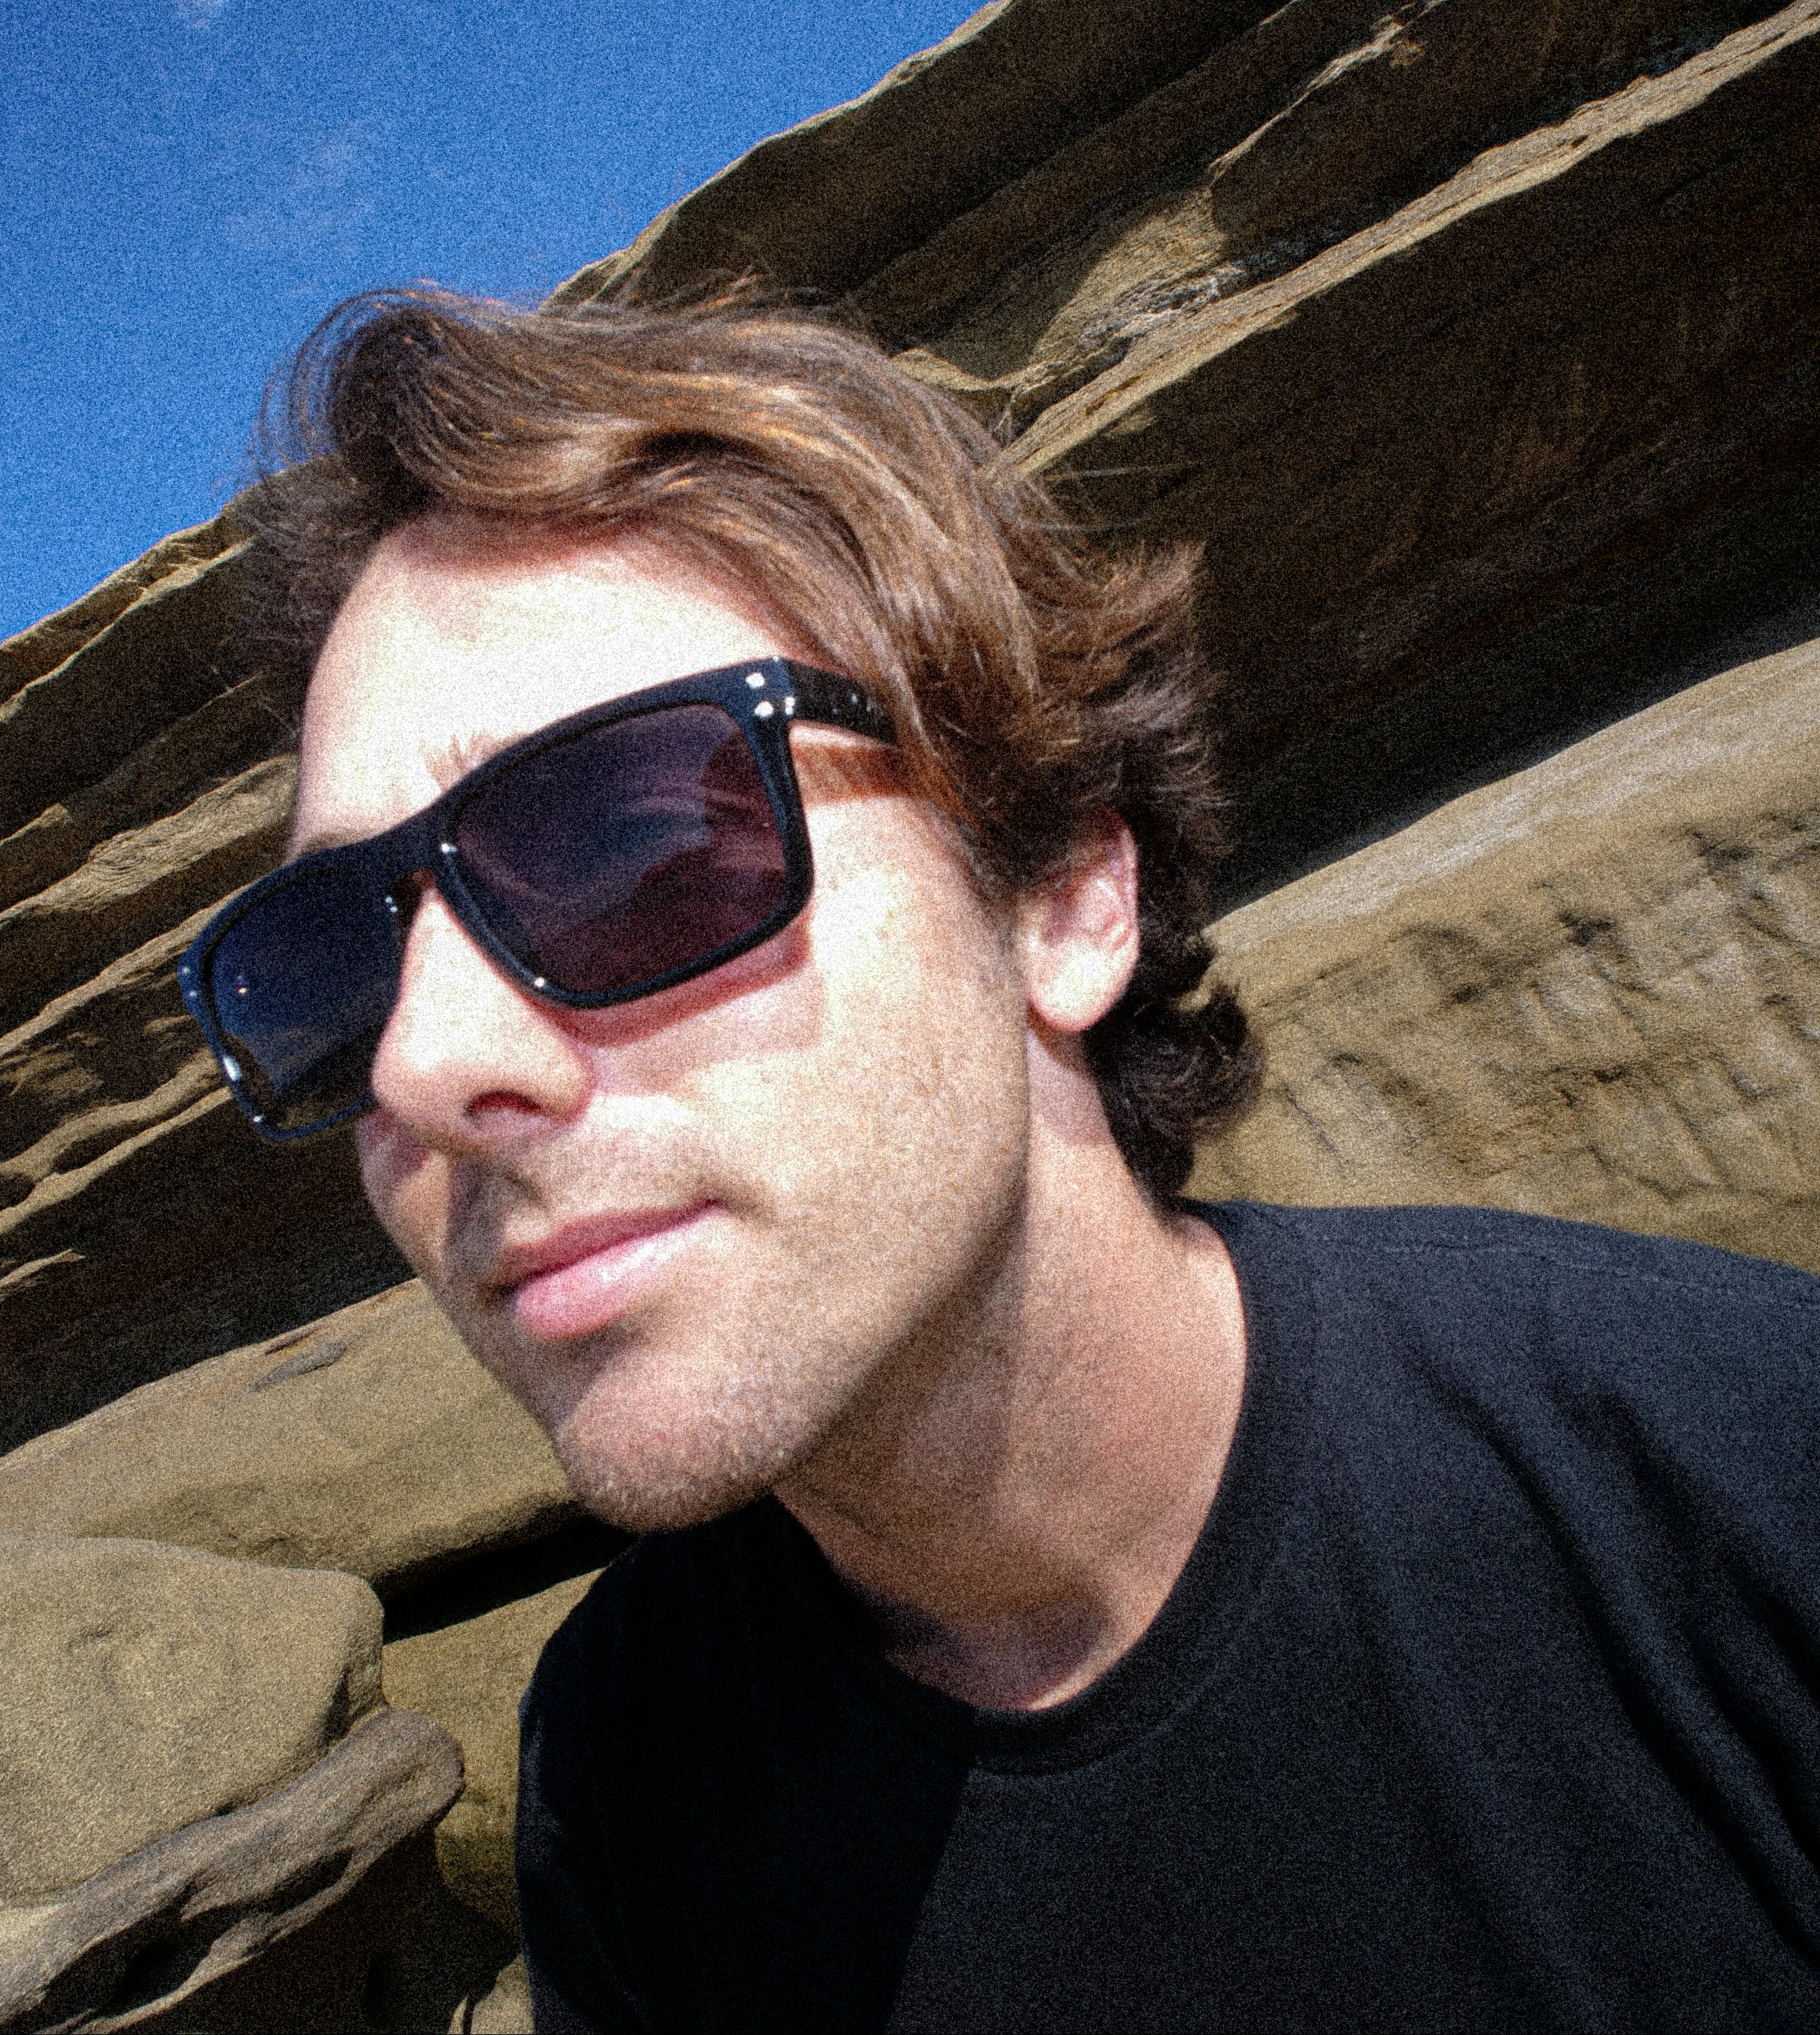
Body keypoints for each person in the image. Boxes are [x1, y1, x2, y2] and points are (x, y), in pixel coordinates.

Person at [181, 288, 1820, 2031]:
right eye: (328, 970)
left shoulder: (1737, 1473)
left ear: (1062, 898)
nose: (426, 1065)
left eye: (624, 843)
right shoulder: (625, 1759)